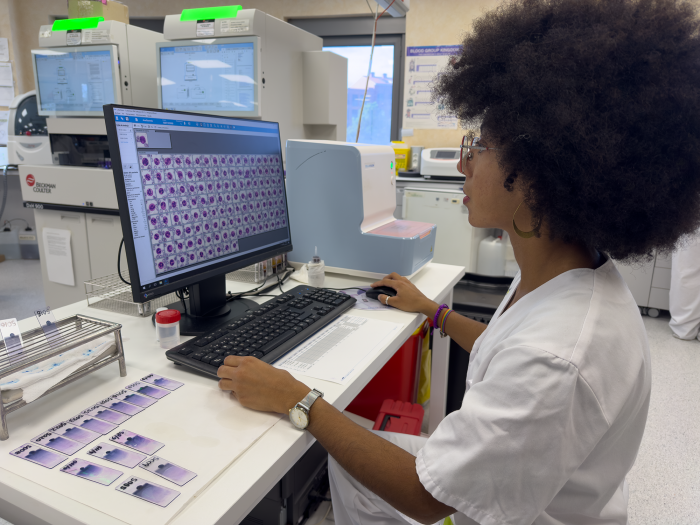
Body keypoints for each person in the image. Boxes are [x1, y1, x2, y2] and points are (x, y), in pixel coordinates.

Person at [217, 0, 700, 523]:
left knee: (343, 444)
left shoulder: (559, 355)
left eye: (479, 146)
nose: (464, 164)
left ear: (537, 173)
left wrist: (299, 399)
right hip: (524, 487)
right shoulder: (568, 272)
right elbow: (506, 344)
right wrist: (435, 312)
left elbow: (427, 499)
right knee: (349, 462)